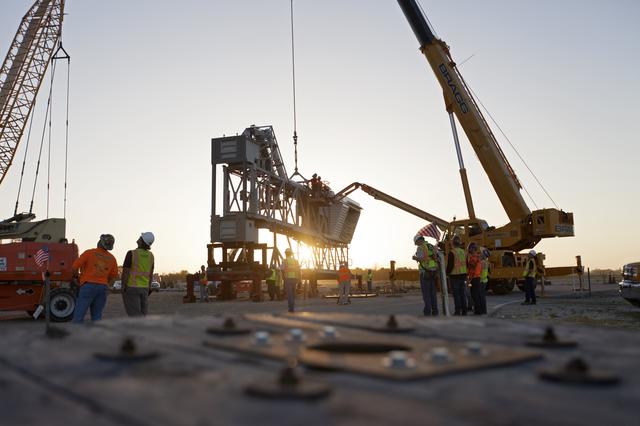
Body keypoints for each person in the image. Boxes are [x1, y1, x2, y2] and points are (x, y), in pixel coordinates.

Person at [71, 234, 119, 323]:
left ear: (101, 242)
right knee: (97, 316)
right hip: (102, 288)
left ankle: (76, 335)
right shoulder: (112, 258)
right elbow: (114, 276)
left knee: (79, 315)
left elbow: (74, 267)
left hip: (87, 286)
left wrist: (75, 278)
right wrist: (106, 285)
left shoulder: (89, 253)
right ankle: (97, 335)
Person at [121, 232, 155, 316]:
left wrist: (123, 286)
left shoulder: (131, 253)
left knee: (134, 315)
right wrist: (149, 288)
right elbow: (151, 274)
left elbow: (125, 272)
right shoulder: (151, 256)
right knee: (143, 314)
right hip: (144, 288)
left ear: (142, 241)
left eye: (141, 237)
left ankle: (138, 328)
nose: (139, 237)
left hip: (132, 287)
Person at [413, 235, 439, 316]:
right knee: (433, 293)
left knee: (426, 294)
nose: (416, 245)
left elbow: (422, 259)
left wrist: (415, 258)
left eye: (416, 243)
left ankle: (427, 311)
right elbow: (436, 257)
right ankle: (435, 311)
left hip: (425, 273)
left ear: (419, 240)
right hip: (433, 272)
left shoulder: (421, 247)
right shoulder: (431, 246)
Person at [446, 235, 467, 315]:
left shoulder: (452, 252)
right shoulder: (463, 252)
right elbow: (466, 264)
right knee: (463, 294)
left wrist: (447, 274)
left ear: (452, 243)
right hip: (463, 275)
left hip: (455, 276)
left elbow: (450, 266)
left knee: (457, 295)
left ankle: (458, 311)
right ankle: (464, 311)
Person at [467, 243, 484, 315]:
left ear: (473, 249)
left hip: (474, 278)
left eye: (470, 249)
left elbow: (471, 266)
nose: (469, 250)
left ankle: (477, 311)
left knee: (474, 295)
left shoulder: (473, 258)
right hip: (477, 278)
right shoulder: (478, 258)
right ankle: (479, 310)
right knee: (477, 295)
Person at [281, 248, 300, 312]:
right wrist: (299, 279)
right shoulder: (296, 261)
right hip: (295, 279)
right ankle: (292, 307)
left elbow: (282, 269)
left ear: (286, 254)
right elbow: (299, 270)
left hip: (288, 279)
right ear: (291, 254)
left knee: (289, 295)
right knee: (293, 294)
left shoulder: (285, 261)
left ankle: (291, 308)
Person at [477, 248, 490, 314]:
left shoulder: (482, 262)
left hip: (481, 281)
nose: (480, 254)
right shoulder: (486, 262)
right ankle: (483, 310)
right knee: (482, 296)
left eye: (481, 253)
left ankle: (483, 310)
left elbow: (478, 271)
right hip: (484, 280)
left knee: (481, 296)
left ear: (484, 255)